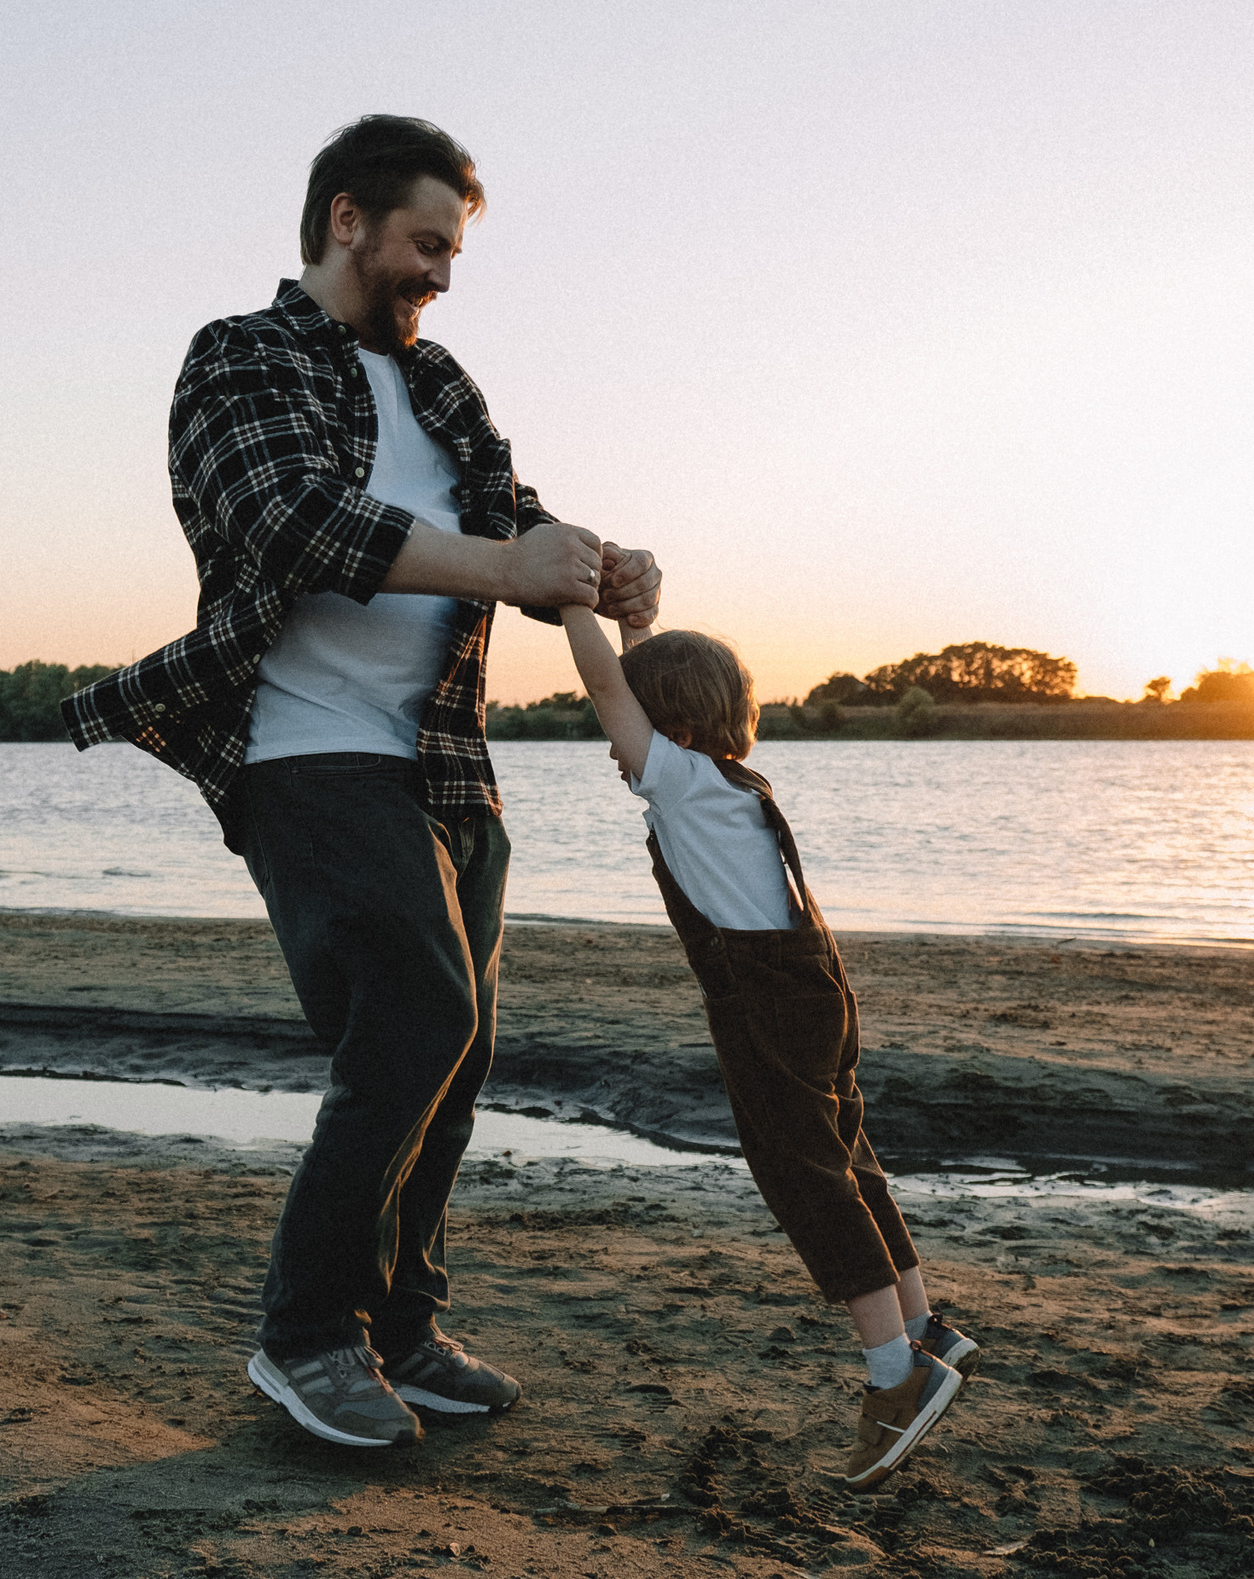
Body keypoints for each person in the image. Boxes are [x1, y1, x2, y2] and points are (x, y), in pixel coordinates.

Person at [63, 117, 662, 1449]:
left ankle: (399, 1324)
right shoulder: (242, 357)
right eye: (426, 243)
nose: (442, 272)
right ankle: (305, 1333)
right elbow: (286, 517)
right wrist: (507, 567)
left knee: (455, 1052)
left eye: (456, 249)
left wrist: (599, 569)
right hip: (301, 743)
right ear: (347, 220)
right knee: (416, 1013)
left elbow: (516, 521)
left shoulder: (443, 385)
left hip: (447, 758)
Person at [558, 605, 980, 1492]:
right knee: (849, 1161)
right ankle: (924, 1329)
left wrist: (567, 600)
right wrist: (637, 624)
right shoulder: (727, 781)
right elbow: (635, 692)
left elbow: (608, 692)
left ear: (667, 729)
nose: (614, 745)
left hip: (763, 1001)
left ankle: (894, 1377)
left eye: (632, 729)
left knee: (805, 1179)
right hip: (814, 984)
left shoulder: (675, 781)